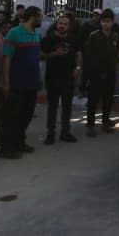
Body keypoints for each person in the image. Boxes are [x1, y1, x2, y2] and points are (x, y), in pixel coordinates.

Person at [0, 6, 43, 159]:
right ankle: (6, 148)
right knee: (12, 116)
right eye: (39, 17)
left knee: (26, 114)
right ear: (32, 17)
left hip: (31, 83)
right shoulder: (14, 33)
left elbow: (35, 58)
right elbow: (7, 59)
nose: (41, 20)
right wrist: (6, 81)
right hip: (17, 83)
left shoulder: (35, 34)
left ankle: (19, 142)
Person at [41, 14, 82, 144]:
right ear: (56, 24)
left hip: (68, 78)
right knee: (52, 106)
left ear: (69, 26)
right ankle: (50, 134)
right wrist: (55, 53)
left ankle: (65, 132)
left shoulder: (74, 39)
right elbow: (41, 55)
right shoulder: (48, 39)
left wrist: (78, 67)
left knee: (67, 106)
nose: (62, 26)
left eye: (65, 24)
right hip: (52, 78)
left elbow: (78, 54)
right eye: (60, 23)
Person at [84, 9, 119, 136]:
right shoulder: (93, 36)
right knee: (93, 100)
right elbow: (88, 56)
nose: (106, 24)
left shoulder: (115, 37)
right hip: (95, 73)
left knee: (108, 100)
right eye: (103, 21)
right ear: (100, 22)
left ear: (112, 23)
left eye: (108, 22)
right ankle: (90, 125)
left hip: (110, 73)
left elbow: (116, 54)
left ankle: (105, 123)